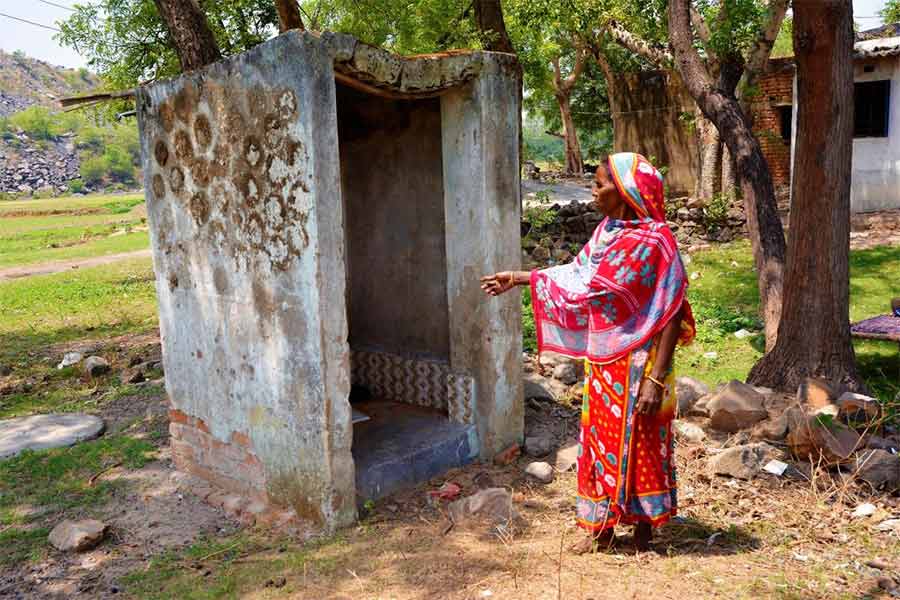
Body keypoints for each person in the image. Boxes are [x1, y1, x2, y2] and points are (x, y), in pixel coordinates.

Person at [481, 153, 695, 553]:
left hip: (643, 363)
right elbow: (580, 278)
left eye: (600, 184)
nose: (593, 192)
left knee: (644, 441)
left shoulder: (657, 242)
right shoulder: (607, 233)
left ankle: (644, 529)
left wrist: (654, 378)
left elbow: (671, 312)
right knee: (599, 441)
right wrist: (519, 278)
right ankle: (602, 527)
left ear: (628, 191)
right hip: (604, 359)